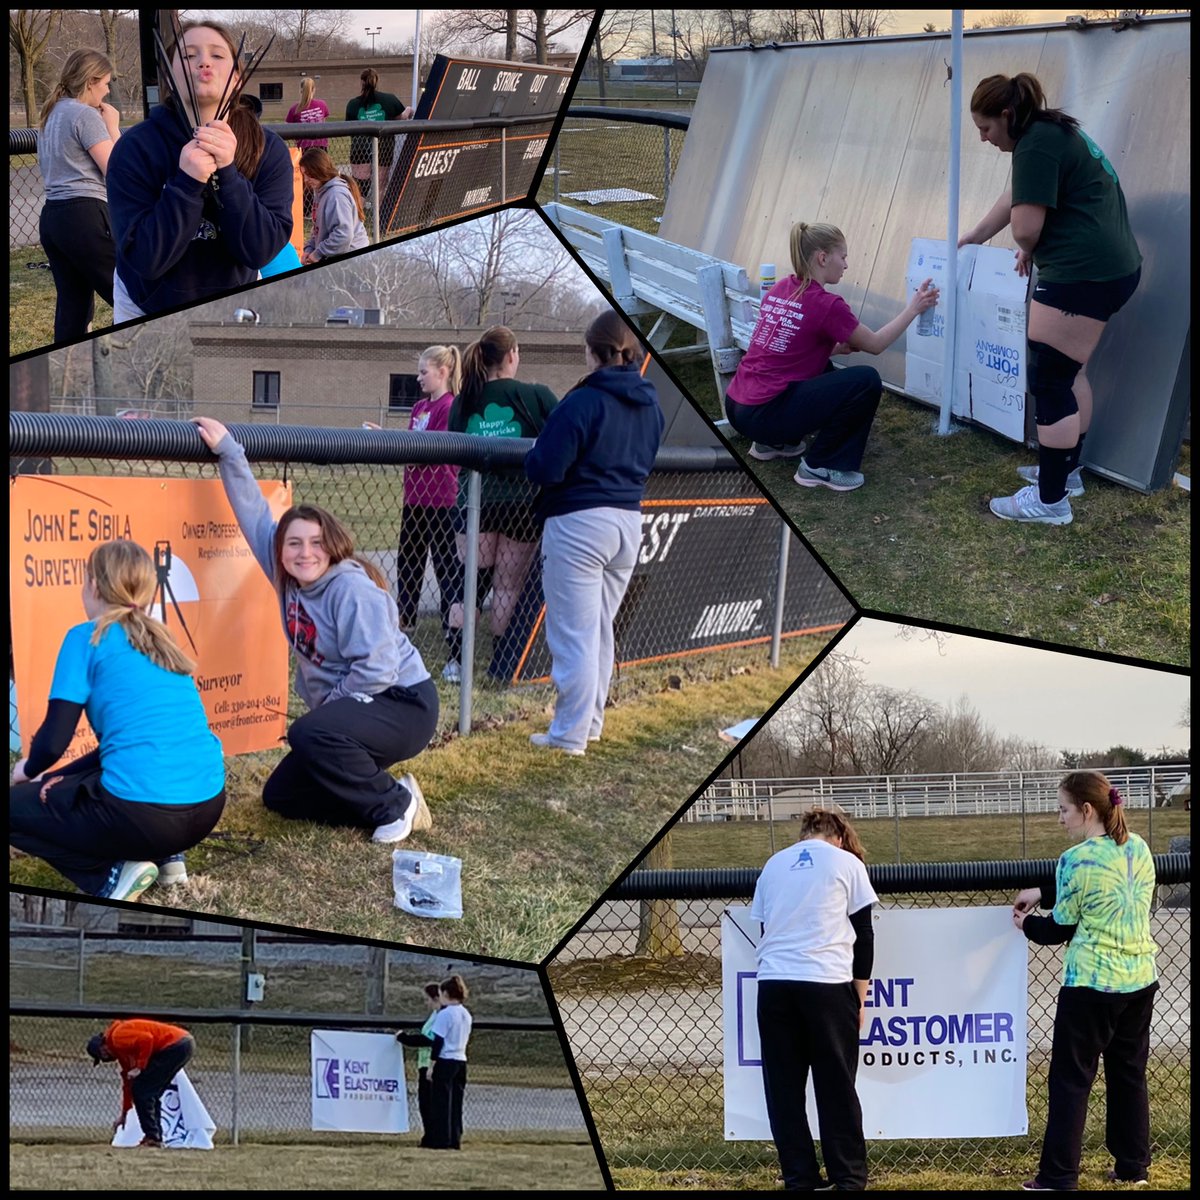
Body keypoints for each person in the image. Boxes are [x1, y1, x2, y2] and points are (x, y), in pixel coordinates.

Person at [192, 417, 437, 844]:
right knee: (284, 795)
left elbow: (378, 669)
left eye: (316, 542)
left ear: (333, 545)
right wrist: (229, 451)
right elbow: (252, 510)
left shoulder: (351, 589)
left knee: (309, 732)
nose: (305, 552)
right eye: (294, 543)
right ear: (281, 550)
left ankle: (392, 808)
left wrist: (329, 711)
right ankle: (395, 794)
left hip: (404, 703)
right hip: (359, 706)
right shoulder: (286, 576)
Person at [960, 73, 1142, 526]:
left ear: (1006, 115)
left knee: (1050, 379)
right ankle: (1066, 473)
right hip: (1107, 268)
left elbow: (1026, 227)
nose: (983, 139)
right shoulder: (1049, 132)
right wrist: (975, 236)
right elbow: (1020, 196)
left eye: (985, 128)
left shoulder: (1036, 143)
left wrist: (1026, 242)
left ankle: (1050, 500)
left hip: (1082, 274)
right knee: (1068, 370)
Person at [9, 540, 226, 901]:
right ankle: (169, 859)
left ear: (93, 585)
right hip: (207, 807)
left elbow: (53, 741)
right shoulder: (161, 640)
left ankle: (110, 877)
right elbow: (123, 747)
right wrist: (55, 777)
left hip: (143, 816)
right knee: (126, 770)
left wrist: (28, 771)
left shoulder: (86, 637)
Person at [524, 311, 664, 755]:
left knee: (574, 636)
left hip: (579, 524)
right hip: (628, 521)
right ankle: (590, 725)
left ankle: (568, 735)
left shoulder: (583, 401)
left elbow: (546, 466)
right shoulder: (651, 402)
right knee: (600, 631)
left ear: (592, 351)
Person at [1012, 771, 1158, 1191]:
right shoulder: (1139, 849)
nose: (1060, 819)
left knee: (1072, 1081)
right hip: (1140, 978)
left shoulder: (1074, 860)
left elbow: (1060, 928)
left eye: (1063, 810)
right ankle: (1133, 1166)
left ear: (1087, 810)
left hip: (1091, 985)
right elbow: (1102, 891)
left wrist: (1025, 923)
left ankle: (1058, 1175)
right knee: (1129, 1074)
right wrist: (1044, 890)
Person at [725, 221, 939, 492]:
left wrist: (834, 348)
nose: (846, 265)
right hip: (765, 414)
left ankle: (775, 444)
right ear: (823, 257)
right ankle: (822, 466)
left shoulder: (781, 288)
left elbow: (782, 348)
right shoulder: (827, 304)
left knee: (824, 364)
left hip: (737, 407)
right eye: (843, 256)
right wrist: (914, 308)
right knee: (865, 381)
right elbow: (875, 345)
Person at [105, 20, 293, 320]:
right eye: (189, 56)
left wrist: (228, 174)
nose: (204, 61)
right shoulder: (134, 148)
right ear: (168, 74)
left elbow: (261, 251)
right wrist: (187, 183)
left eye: (217, 55)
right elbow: (145, 259)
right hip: (146, 303)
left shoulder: (268, 149)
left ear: (237, 78)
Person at [750, 808, 878, 1191]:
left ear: (803, 835)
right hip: (826, 983)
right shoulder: (847, 863)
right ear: (838, 837)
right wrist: (860, 996)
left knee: (784, 1089)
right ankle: (848, 1177)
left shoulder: (773, 865)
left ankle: (800, 1177)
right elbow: (864, 935)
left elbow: (764, 926)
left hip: (774, 985)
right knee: (836, 1085)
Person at [448, 326, 558, 683]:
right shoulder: (536, 395)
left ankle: (457, 662)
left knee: (469, 585)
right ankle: (502, 662)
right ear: (512, 355)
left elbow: (451, 449)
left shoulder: (465, 400)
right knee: (507, 586)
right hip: (521, 502)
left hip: (475, 501)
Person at [35, 48, 121, 343]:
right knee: (126, 292)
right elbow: (116, 170)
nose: (107, 90)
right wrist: (113, 127)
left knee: (72, 307)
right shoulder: (85, 116)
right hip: (85, 216)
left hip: (52, 218)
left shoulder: (51, 114)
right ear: (91, 81)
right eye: (106, 83)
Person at [394, 345, 468, 683]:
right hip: (415, 501)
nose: (419, 377)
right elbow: (412, 447)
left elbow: (430, 451)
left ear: (442, 371)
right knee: (407, 567)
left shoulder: (450, 407)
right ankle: (401, 637)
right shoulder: (419, 407)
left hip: (443, 503)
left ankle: (455, 652)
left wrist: (402, 449)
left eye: (424, 372)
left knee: (447, 574)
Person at [87, 1018, 195, 1147]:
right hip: (183, 1044)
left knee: (143, 1090)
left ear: (103, 1048)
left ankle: (152, 1137)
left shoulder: (117, 1037)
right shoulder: (122, 1053)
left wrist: (140, 1067)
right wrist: (124, 1114)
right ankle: (155, 1137)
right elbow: (128, 1085)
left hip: (175, 1045)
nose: (106, 1059)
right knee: (149, 1092)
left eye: (102, 1056)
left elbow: (146, 1039)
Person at [345, 68, 413, 207]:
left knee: (360, 185)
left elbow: (348, 127)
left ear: (361, 82)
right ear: (377, 81)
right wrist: (409, 109)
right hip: (384, 145)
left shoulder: (353, 104)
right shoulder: (390, 99)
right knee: (381, 184)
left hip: (360, 146)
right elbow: (402, 117)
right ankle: (379, 215)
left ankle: (357, 216)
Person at [423, 975, 473, 1150]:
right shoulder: (466, 1014)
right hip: (461, 1060)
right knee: (456, 1103)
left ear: (445, 993)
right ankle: (455, 1138)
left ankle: (441, 1139)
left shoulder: (445, 1014)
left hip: (446, 1060)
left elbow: (438, 1042)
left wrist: (431, 1065)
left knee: (442, 1102)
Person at [395, 982, 445, 1147]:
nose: (427, 1002)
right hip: (424, 1063)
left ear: (436, 998)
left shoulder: (440, 1017)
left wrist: (405, 1038)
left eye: (428, 999)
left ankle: (432, 1137)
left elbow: (428, 1039)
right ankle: (429, 1135)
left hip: (432, 1064)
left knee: (429, 1103)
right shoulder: (434, 1015)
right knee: (425, 1104)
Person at [299, 148, 369, 264]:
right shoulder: (321, 190)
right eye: (304, 175)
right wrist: (309, 249)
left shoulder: (336, 195)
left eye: (309, 175)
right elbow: (318, 229)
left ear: (320, 170)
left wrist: (318, 253)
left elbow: (343, 235)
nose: (306, 180)